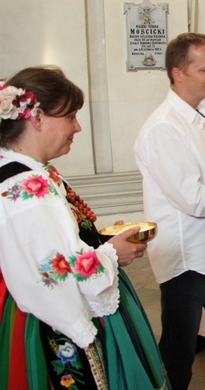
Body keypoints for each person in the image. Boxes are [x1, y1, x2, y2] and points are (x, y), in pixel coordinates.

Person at [0, 66, 168, 389]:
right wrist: (111, 253)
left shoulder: (27, 170)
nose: (77, 127)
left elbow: (52, 244)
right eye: (70, 116)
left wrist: (95, 234)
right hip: (55, 323)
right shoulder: (29, 189)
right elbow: (59, 273)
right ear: (36, 118)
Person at [134, 32, 205, 390]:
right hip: (185, 253)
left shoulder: (204, 118)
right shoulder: (163, 128)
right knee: (178, 346)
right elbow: (195, 200)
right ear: (178, 73)